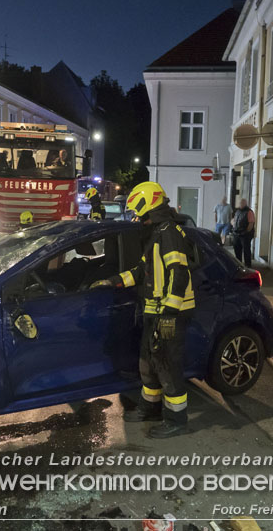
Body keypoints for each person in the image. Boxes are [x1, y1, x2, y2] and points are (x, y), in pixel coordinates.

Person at [91, 182, 195, 438]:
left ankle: (177, 420)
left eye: (138, 212)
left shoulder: (169, 234)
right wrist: (113, 281)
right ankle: (150, 409)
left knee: (168, 365)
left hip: (170, 315)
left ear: (149, 205)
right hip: (156, 313)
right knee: (148, 363)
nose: (136, 218)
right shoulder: (157, 234)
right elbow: (141, 272)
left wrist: (169, 312)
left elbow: (179, 274)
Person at [232, 199, 256, 267]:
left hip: (245, 235)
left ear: (245, 204)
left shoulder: (249, 212)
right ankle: (239, 264)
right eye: (240, 203)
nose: (240, 204)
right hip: (237, 234)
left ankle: (248, 265)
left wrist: (246, 232)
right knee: (237, 249)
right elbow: (234, 220)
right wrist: (233, 225)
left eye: (242, 203)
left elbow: (251, 224)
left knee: (246, 250)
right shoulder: (238, 211)